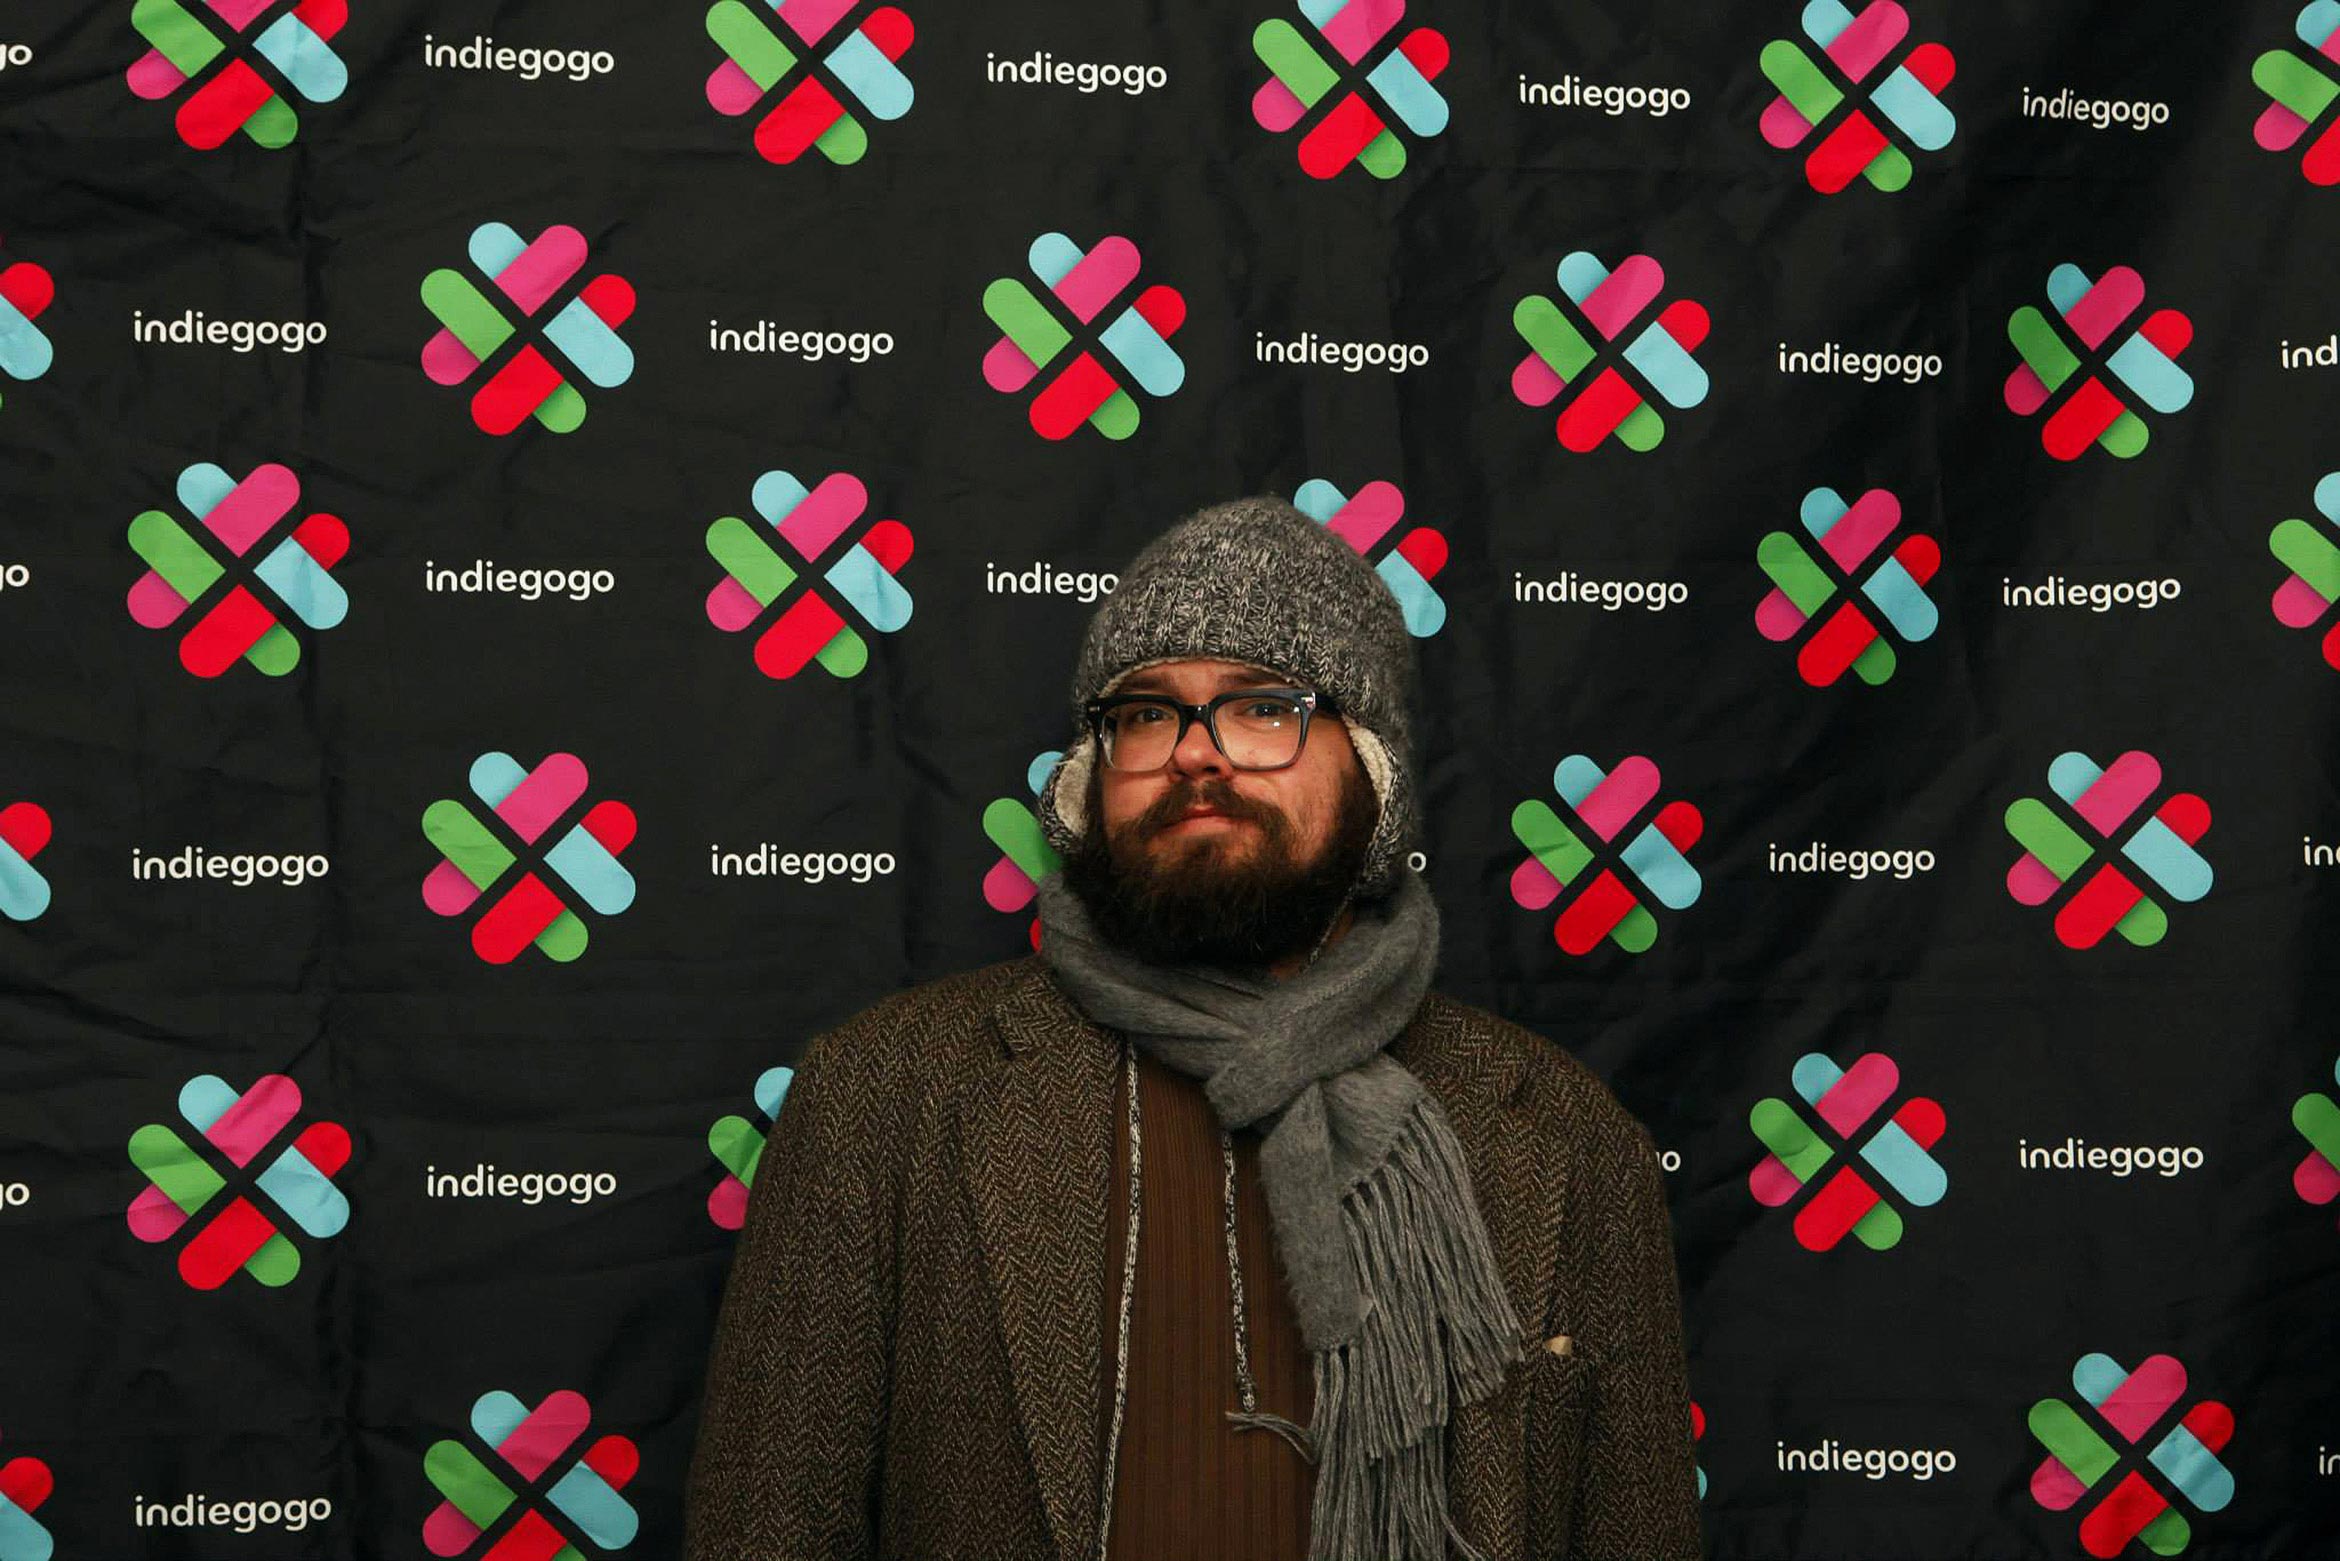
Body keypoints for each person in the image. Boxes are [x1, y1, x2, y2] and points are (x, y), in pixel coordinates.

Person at [682, 495, 1703, 1561]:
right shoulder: (886, 1095)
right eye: (1148, 714)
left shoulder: (1565, 1135)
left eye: (1265, 708)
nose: (1198, 756)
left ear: (1373, 773)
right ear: (1088, 787)